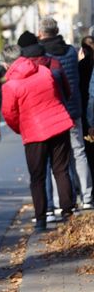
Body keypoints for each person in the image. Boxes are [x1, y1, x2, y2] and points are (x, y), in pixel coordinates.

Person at [0, 44, 74, 230]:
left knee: (38, 177)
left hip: (34, 133)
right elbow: (58, 94)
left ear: (6, 64)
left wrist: (22, 128)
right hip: (59, 125)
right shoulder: (43, 70)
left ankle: (41, 220)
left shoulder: (10, 85)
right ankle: (68, 213)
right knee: (61, 170)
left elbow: (9, 114)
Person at [38, 17, 93, 211]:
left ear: (41, 32)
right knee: (79, 153)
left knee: (57, 159)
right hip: (74, 108)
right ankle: (87, 197)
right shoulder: (70, 51)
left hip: (53, 112)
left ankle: (61, 201)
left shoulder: (42, 54)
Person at [79, 36, 94, 185]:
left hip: (87, 115)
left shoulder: (81, 66)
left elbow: (89, 95)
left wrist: (89, 122)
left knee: (89, 153)